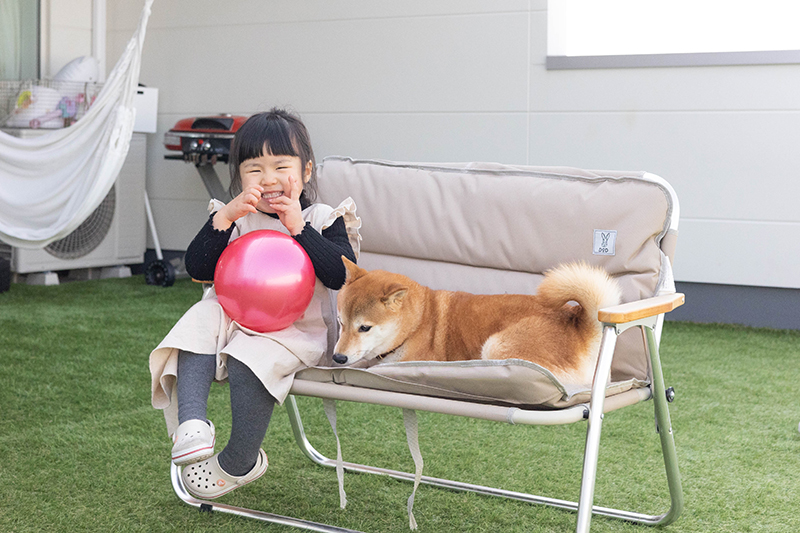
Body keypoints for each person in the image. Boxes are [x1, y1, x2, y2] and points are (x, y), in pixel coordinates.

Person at [149, 108, 360, 499]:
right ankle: (192, 423)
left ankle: (240, 461)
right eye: (254, 169)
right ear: (240, 177)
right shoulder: (236, 217)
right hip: (234, 316)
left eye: (281, 166)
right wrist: (225, 217)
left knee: (250, 354)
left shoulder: (321, 218)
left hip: (295, 330)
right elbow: (198, 268)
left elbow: (341, 276)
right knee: (199, 318)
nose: (268, 179)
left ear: (307, 172)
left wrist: (298, 229)